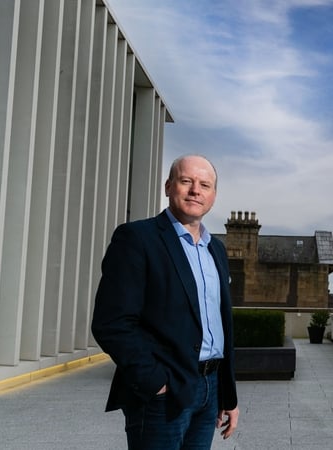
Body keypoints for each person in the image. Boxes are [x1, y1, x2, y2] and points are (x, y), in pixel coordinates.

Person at [91, 155, 239, 449]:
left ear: (213, 196)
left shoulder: (216, 250)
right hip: (164, 394)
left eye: (205, 185)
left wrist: (228, 395)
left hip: (210, 390)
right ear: (169, 186)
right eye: (187, 181)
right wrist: (155, 382)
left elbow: (221, 325)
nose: (196, 190)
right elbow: (111, 323)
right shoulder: (137, 238)